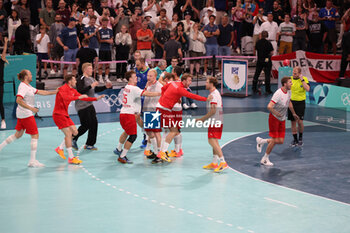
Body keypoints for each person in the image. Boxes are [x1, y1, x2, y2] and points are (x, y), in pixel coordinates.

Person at [0, 70, 57, 167]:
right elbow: (18, 100)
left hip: (22, 113)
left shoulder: (28, 87)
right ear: (26, 76)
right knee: (35, 135)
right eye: (30, 74)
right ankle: (32, 161)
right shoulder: (22, 87)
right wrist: (32, 109)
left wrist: (55, 92)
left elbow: (41, 92)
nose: (32, 75)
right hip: (26, 114)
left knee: (18, 134)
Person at [156, 73, 212, 162]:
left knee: (172, 130)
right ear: (184, 80)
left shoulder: (173, 83)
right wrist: (206, 99)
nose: (190, 82)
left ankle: (168, 151)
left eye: (191, 81)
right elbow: (193, 96)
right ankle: (163, 152)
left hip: (161, 107)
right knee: (174, 130)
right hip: (164, 109)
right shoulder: (180, 89)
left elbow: (163, 88)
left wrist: (164, 98)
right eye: (189, 81)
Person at [53, 74, 104, 165]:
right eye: (74, 80)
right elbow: (66, 98)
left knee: (75, 132)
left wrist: (96, 99)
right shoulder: (62, 89)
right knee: (68, 134)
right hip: (58, 115)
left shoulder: (73, 90)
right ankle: (71, 158)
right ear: (70, 81)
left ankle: (60, 148)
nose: (76, 81)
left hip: (65, 114)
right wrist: (78, 97)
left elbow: (84, 97)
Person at [113, 70, 161, 164]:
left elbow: (140, 93)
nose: (137, 78)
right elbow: (146, 94)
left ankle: (119, 149)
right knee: (133, 136)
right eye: (134, 76)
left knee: (127, 132)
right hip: (130, 114)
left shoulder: (127, 87)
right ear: (130, 78)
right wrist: (159, 93)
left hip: (124, 113)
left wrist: (146, 87)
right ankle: (122, 156)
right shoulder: (134, 89)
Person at [256, 77, 299, 166]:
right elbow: (269, 106)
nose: (291, 84)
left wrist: (294, 113)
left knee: (280, 141)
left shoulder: (289, 91)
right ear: (285, 84)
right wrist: (276, 113)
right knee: (274, 140)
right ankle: (264, 159)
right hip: (274, 119)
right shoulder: (278, 94)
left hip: (282, 119)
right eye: (290, 82)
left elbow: (289, 102)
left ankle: (262, 141)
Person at [72, 63, 112, 150]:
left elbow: (95, 89)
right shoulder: (81, 78)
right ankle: (73, 138)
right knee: (85, 125)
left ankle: (90, 144)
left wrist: (105, 87)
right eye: (90, 68)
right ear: (85, 69)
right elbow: (80, 91)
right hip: (82, 105)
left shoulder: (91, 79)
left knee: (94, 124)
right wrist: (91, 86)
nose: (92, 70)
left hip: (90, 104)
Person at [198, 77, 226, 172]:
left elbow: (213, 111)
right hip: (217, 120)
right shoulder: (214, 93)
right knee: (214, 141)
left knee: (211, 141)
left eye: (206, 82)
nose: (205, 84)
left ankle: (223, 162)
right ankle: (214, 163)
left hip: (215, 120)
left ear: (211, 84)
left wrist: (202, 119)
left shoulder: (214, 95)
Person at [143, 69, 163, 159]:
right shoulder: (148, 85)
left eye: (150, 76)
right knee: (150, 133)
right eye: (148, 76)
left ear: (155, 77)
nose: (148, 77)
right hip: (147, 110)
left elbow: (160, 94)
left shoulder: (159, 85)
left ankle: (159, 152)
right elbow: (144, 93)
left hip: (154, 111)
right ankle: (154, 151)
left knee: (156, 133)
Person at [288, 67, 310, 147]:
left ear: (299, 74)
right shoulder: (289, 79)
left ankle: (300, 138)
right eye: (293, 72)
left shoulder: (304, 79)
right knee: (293, 122)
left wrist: (302, 80)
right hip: (291, 102)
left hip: (300, 103)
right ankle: (295, 140)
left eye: (295, 73)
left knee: (300, 122)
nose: (293, 74)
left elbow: (307, 89)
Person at [97, 17, 113, 83]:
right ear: (102, 22)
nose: (105, 23)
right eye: (103, 22)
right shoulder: (99, 30)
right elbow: (99, 40)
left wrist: (108, 41)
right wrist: (107, 40)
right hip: (101, 49)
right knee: (100, 64)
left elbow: (111, 40)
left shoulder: (110, 30)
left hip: (108, 49)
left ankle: (106, 77)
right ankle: (100, 77)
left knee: (107, 64)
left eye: (106, 22)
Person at [0, 37, 8, 129]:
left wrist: (5, 42)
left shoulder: (1, 61)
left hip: (0, 85)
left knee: (0, 103)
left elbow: (4, 52)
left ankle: (3, 120)